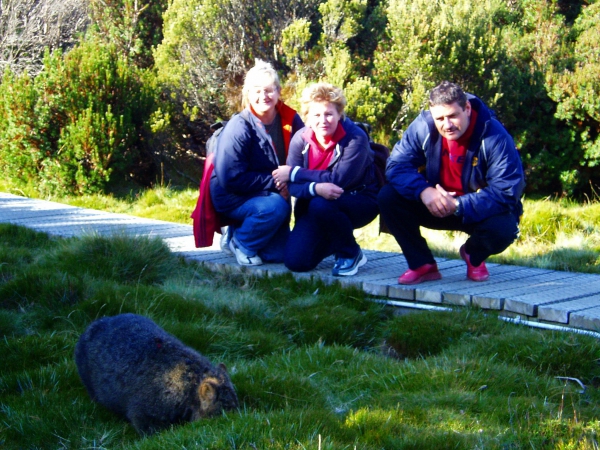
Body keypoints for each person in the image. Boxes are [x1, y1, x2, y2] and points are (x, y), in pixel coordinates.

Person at [377, 81, 525, 284]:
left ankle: (473, 254)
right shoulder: (422, 127)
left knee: (505, 227)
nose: (447, 124)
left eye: (453, 116)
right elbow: (396, 166)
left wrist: (458, 205)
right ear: (431, 114)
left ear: (467, 108)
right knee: (388, 197)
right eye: (440, 118)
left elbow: (506, 191)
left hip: (474, 209)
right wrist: (424, 191)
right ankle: (422, 264)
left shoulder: (495, 136)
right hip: (434, 204)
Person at [273, 83, 380, 276]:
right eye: (316, 115)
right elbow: (292, 186)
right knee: (296, 261)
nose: (323, 120)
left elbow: (337, 180)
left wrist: (295, 172)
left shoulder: (355, 138)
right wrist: (315, 188)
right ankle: (335, 238)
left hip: (359, 199)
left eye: (329, 114)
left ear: (340, 114)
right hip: (316, 203)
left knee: (321, 205)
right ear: (307, 117)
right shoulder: (300, 139)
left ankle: (350, 252)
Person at [210, 59, 304, 266]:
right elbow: (231, 179)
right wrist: (277, 182)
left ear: (279, 91)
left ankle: (237, 231)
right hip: (233, 195)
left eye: (270, 90)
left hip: (271, 193)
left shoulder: (291, 120)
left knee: (278, 255)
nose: (264, 96)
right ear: (248, 94)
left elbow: (304, 158)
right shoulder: (239, 126)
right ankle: (241, 243)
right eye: (257, 91)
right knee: (274, 207)